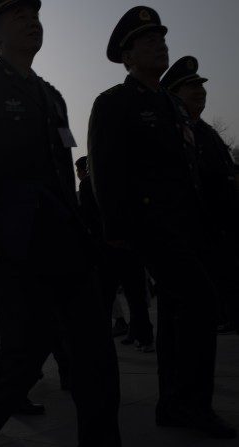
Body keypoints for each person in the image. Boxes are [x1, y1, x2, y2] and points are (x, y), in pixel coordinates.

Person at [0, 1, 121, 446]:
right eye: (17, 15)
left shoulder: (52, 95)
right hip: (13, 240)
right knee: (24, 354)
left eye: (35, 15)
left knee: (95, 353)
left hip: (65, 239)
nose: (31, 21)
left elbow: (63, 172)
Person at [88, 6, 236, 438]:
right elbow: (105, 169)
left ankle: (174, 404)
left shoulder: (172, 106)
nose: (159, 45)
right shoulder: (115, 103)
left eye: (162, 39)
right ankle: (193, 404)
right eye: (148, 41)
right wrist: (116, 229)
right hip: (150, 224)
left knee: (176, 312)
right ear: (126, 56)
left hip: (188, 227)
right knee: (201, 303)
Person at [161, 56, 239, 335]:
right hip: (196, 231)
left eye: (201, 86)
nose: (200, 92)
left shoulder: (207, 132)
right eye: (190, 87)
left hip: (224, 227)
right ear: (173, 94)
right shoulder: (171, 132)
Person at [75, 156, 154, 351]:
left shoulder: (87, 186)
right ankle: (143, 336)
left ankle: (103, 342)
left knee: (105, 300)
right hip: (127, 248)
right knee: (135, 297)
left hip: (105, 251)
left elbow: (87, 220)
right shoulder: (124, 179)